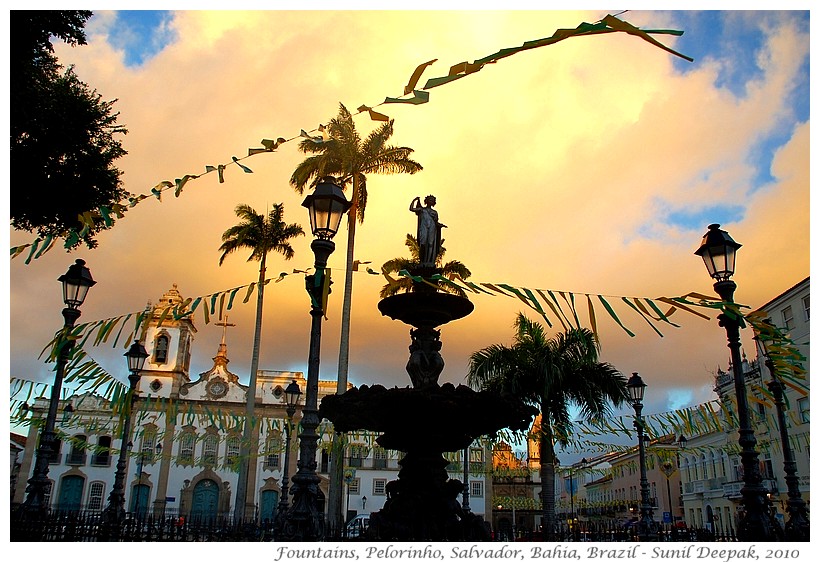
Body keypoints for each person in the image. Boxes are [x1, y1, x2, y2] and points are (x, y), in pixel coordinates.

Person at [409, 195, 446, 267]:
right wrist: (415, 200)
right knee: (423, 243)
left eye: (432, 200)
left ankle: (429, 262)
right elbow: (411, 208)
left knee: (430, 244)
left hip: (432, 227)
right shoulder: (422, 210)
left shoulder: (434, 212)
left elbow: (436, 222)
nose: (431, 201)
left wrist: (440, 225)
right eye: (430, 200)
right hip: (424, 227)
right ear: (426, 201)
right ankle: (423, 261)